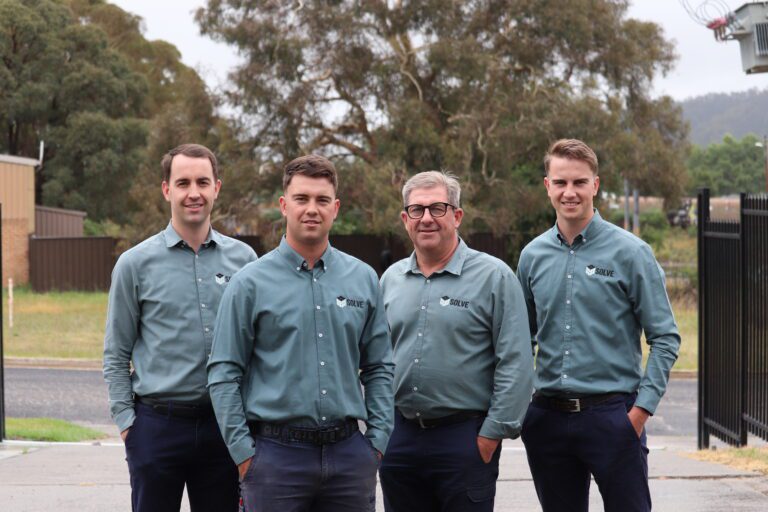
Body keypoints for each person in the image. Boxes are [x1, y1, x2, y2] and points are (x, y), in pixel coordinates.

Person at [207, 154, 394, 512]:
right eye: (302, 199)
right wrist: (245, 455)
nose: (312, 209)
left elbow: (380, 367)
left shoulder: (364, 278)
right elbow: (223, 373)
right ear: (283, 205)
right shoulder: (249, 283)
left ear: (335, 208)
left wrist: (377, 443)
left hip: (349, 457)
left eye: (322, 200)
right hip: (275, 460)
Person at [516, 139, 681, 512]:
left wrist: (639, 413)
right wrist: (523, 407)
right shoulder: (531, 256)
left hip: (614, 418)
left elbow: (665, 338)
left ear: (595, 184)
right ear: (547, 186)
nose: (569, 192)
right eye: (560, 183)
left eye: (579, 182)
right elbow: (519, 340)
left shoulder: (632, 253)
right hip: (547, 419)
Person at [103, 143, 257, 511]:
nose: (194, 193)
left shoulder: (246, 261)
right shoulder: (134, 264)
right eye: (183, 182)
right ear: (166, 189)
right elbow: (116, 352)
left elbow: (259, 347)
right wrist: (129, 425)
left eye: (202, 182)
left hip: (225, 428)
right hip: (156, 428)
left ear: (216, 188)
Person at [379, 171, 534, 512]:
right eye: (417, 210)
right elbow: (375, 359)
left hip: (464, 439)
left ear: (457, 215)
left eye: (438, 207)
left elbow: (517, 362)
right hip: (399, 438)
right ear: (405, 219)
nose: (427, 218)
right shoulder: (390, 280)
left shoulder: (494, 277)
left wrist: (491, 435)